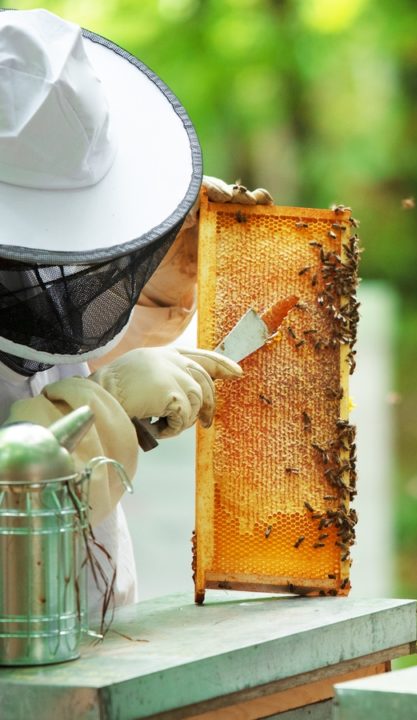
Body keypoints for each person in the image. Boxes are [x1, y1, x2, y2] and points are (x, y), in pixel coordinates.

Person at [0, 8, 271, 615]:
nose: (61, 272)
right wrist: (100, 409)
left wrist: (176, 263)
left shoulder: (40, 300)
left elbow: (55, 345)